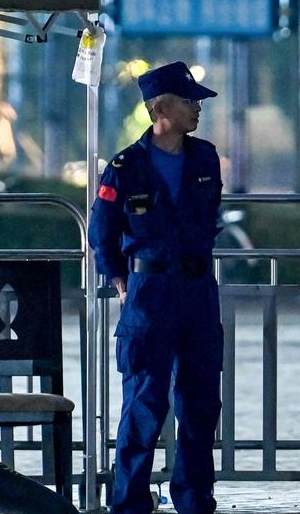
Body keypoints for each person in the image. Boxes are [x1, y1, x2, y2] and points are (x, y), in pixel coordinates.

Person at [88, 61, 223, 514]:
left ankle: (194, 497)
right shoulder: (126, 166)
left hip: (198, 290)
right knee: (144, 403)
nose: (197, 109)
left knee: (201, 401)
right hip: (150, 291)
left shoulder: (205, 157)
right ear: (160, 108)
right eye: (189, 101)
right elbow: (101, 230)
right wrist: (120, 279)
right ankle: (128, 502)